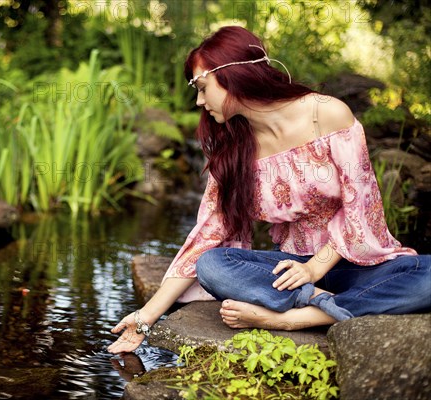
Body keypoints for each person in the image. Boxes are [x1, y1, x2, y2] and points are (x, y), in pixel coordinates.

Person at [107, 26, 431, 354]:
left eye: (203, 88)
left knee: (428, 275)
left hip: (355, 264)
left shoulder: (327, 114)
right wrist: (145, 317)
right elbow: (208, 234)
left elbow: (361, 206)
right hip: (288, 272)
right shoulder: (232, 146)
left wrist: (315, 267)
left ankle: (294, 319)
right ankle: (323, 303)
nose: (199, 100)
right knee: (212, 265)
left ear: (231, 75)